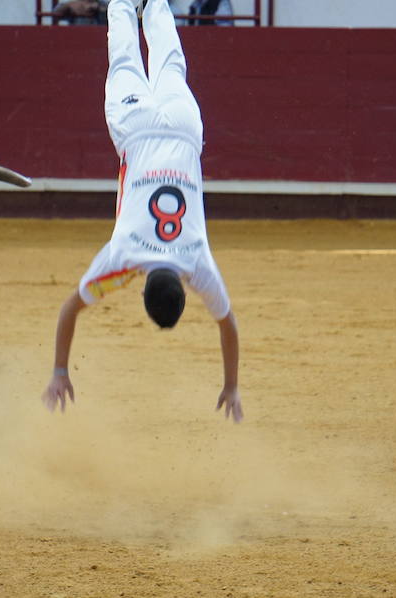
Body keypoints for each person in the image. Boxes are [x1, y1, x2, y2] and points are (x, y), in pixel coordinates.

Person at [41, 0, 243, 422]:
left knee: (170, 60)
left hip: (185, 128)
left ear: (185, 290)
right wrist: (59, 371)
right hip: (136, 127)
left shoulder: (198, 264)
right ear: (139, 287)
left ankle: (157, 6)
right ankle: (120, 4)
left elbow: (228, 325)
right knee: (124, 60)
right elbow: (69, 309)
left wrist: (232, 386)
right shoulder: (124, 258)